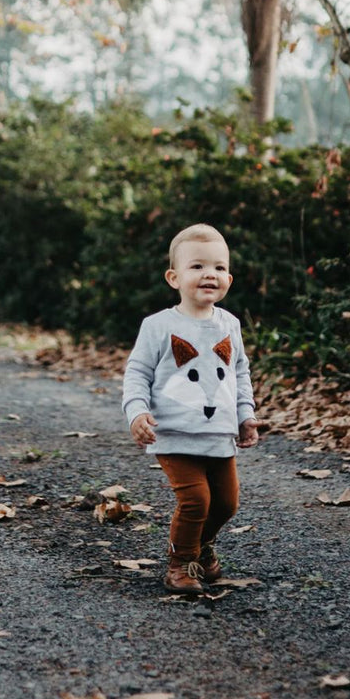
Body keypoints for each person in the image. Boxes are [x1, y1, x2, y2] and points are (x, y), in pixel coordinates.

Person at [122, 223, 259, 594]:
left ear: (228, 277)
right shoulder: (159, 326)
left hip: (219, 435)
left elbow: (239, 371)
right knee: (196, 499)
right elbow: (137, 372)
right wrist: (136, 412)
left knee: (227, 504)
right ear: (174, 277)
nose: (209, 274)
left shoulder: (228, 324)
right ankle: (180, 564)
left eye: (217, 267)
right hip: (174, 433)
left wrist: (246, 414)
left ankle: (203, 546)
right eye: (197, 266)